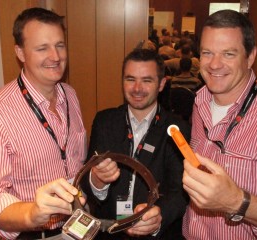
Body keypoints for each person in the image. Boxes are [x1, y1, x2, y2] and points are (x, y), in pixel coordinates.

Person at [182, 10, 257, 239]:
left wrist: (236, 202)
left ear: (250, 56)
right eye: (207, 53)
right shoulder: (200, 100)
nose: (214, 64)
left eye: (228, 54)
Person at [0, 8, 87, 239]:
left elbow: (76, 161)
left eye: (60, 45)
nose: (55, 56)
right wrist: (33, 213)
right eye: (42, 48)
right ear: (20, 52)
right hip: (36, 233)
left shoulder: (70, 94)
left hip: (79, 225)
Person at [81, 48, 190, 239]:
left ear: (162, 84)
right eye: (130, 79)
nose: (137, 88)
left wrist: (158, 217)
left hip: (154, 233)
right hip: (109, 232)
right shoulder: (104, 121)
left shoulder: (176, 128)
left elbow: (179, 191)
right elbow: (87, 180)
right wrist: (97, 181)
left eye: (147, 80)